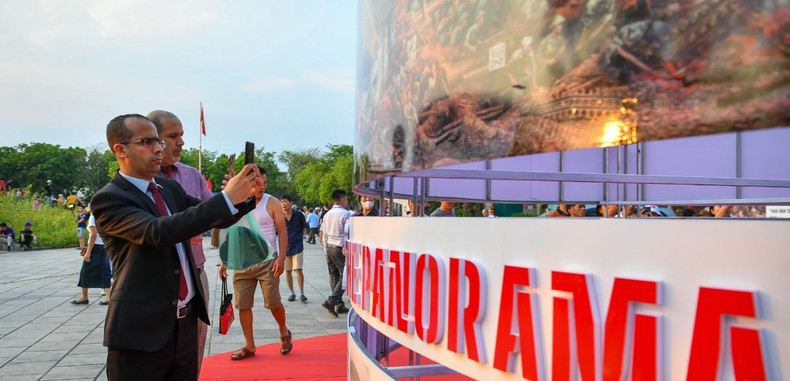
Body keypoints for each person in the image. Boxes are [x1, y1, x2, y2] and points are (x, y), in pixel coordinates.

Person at [90, 113, 260, 381]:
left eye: (158, 140)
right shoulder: (109, 198)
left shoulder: (167, 188)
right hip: (142, 331)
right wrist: (226, 198)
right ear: (120, 150)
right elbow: (157, 231)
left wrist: (247, 197)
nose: (158, 148)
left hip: (183, 325)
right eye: (146, 141)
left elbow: (214, 216)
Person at [147, 109, 215, 372]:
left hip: (194, 275)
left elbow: (214, 214)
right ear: (151, 139)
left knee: (192, 349)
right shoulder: (135, 184)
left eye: (182, 136)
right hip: (155, 279)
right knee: (157, 354)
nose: (181, 143)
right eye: (173, 136)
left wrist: (236, 198)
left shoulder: (190, 176)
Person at [219, 166, 292, 360]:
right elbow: (232, 232)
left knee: (273, 302)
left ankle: (284, 331)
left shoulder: (272, 202)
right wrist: (225, 261)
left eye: (265, 183)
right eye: (257, 183)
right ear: (249, 183)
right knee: (243, 304)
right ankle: (249, 345)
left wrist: (281, 258)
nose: (262, 186)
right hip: (242, 261)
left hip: (268, 261)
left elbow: (282, 232)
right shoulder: (237, 203)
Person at [320, 189, 351, 317]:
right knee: (345, 276)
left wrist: (325, 250)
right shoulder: (346, 214)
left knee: (335, 276)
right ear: (342, 199)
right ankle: (332, 301)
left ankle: (338, 304)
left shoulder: (327, 214)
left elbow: (324, 234)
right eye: (346, 199)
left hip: (330, 248)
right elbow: (347, 234)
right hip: (340, 249)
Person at [71, 211, 112, 305]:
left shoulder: (94, 216)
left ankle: (84, 297)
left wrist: (88, 252)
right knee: (105, 271)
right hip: (105, 245)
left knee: (85, 271)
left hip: (95, 246)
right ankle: (108, 296)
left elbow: (93, 234)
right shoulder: (106, 214)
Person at [281, 194, 308, 302]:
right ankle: (292, 293)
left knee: (298, 269)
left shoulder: (299, 215)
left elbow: (304, 229)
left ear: (291, 203)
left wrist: (298, 237)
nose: (283, 204)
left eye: (285, 201)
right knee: (287, 270)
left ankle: (302, 293)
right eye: (281, 201)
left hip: (297, 245)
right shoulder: (279, 216)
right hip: (285, 246)